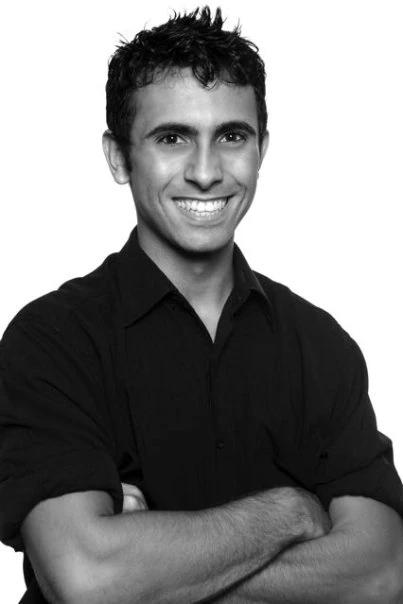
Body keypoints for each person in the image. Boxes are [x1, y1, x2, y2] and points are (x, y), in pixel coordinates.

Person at [1, 6, 403, 603]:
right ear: (118, 157)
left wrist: (151, 572)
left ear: (262, 148)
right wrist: (292, 511)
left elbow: (382, 576)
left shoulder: (321, 346)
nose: (207, 172)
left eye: (232, 137)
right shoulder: (51, 341)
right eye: (173, 138)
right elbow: (89, 582)